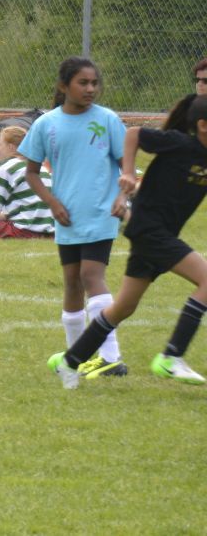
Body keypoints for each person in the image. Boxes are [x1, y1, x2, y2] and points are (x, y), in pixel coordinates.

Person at [49, 94, 207, 388]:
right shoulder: (180, 143)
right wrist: (129, 174)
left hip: (158, 233)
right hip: (150, 231)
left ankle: (70, 362)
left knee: (123, 307)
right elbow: (133, 133)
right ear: (203, 125)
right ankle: (171, 357)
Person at [19, 57, 129, 380]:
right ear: (63, 86)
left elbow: (127, 167)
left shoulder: (107, 120)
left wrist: (122, 197)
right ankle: (76, 356)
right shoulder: (46, 124)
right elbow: (31, 173)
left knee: (91, 275)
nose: (91, 88)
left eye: (94, 83)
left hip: (101, 212)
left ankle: (111, 357)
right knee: (71, 282)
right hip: (67, 217)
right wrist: (53, 203)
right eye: (83, 83)